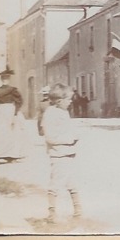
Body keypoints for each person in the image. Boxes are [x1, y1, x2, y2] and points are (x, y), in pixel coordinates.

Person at [40, 83, 82, 225]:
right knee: (56, 184)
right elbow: (50, 137)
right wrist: (70, 139)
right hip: (59, 155)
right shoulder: (50, 114)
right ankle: (52, 214)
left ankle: (78, 211)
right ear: (59, 101)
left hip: (68, 153)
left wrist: (74, 135)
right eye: (68, 99)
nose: (71, 101)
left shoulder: (63, 112)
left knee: (71, 183)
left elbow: (67, 129)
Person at [0, 68, 27, 163]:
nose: (5, 79)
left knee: (13, 131)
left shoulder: (13, 90)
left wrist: (15, 113)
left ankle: (13, 154)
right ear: (1, 79)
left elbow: (19, 101)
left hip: (11, 110)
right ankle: (2, 154)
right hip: (1, 112)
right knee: (1, 132)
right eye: (3, 78)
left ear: (9, 79)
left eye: (6, 78)